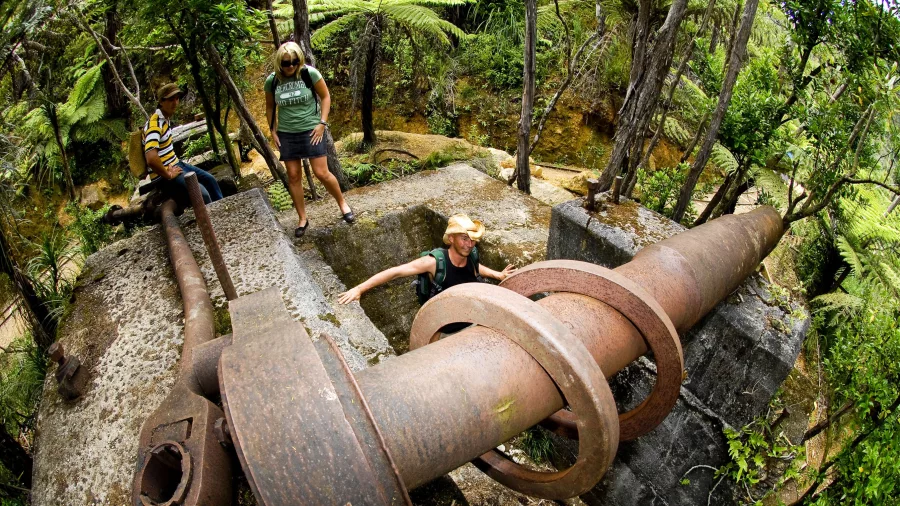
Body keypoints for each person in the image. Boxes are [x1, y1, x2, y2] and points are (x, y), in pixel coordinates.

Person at [338, 215, 516, 333]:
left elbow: (476, 268)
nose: (469, 244)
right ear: (451, 238)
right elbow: (395, 272)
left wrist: (498, 275)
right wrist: (359, 289)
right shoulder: (434, 263)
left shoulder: (471, 254)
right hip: (446, 329)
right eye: (464, 238)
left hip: (473, 320)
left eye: (473, 240)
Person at [265, 41, 354, 237]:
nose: (290, 67)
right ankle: (302, 218)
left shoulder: (309, 74)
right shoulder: (273, 81)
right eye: (286, 63)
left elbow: (325, 96)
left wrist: (322, 123)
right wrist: (272, 130)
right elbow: (270, 106)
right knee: (294, 175)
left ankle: (343, 204)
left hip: (311, 130)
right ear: (279, 63)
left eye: (294, 62)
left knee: (321, 172)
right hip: (287, 132)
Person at [143, 83, 223, 208]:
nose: (175, 103)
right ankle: (211, 222)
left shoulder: (165, 119)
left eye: (177, 98)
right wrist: (168, 174)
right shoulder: (155, 124)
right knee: (202, 194)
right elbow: (151, 159)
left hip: (176, 164)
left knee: (210, 180)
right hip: (164, 174)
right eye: (170, 99)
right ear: (161, 102)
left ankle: (222, 209)